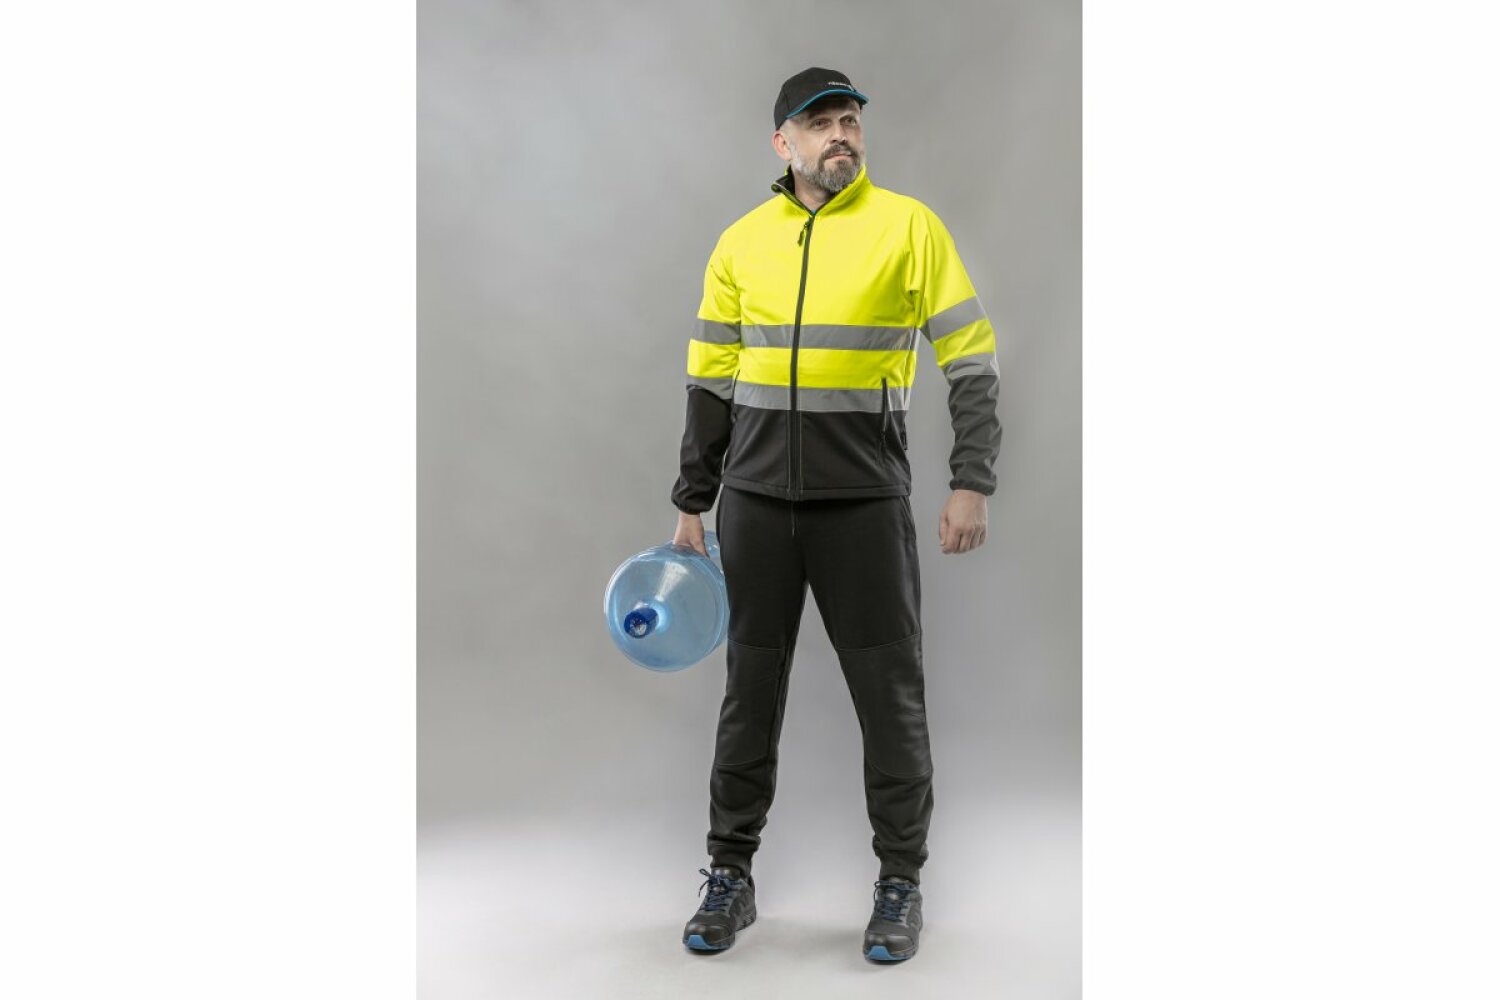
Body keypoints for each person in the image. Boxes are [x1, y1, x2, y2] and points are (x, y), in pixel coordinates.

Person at [670, 66, 1002, 963]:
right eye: (820, 124)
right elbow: (709, 380)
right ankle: (729, 875)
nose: (841, 135)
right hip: (754, 508)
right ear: (784, 143)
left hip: (863, 508)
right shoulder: (741, 242)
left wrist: (971, 479)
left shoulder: (909, 227)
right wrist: (694, 501)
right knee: (748, 700)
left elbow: (971, 359)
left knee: (891, 701)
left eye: (850, 120)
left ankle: (900, 883)